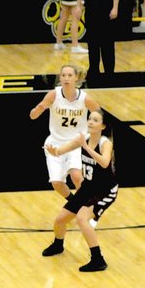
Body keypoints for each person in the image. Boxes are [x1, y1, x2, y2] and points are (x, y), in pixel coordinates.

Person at [43, 109, 117, 271]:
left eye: (95, 120)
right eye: (90, 119)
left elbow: (104, 163)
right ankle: (58, 245)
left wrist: (87, 148)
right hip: (88, 188)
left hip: (105, 190)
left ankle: (98, 259)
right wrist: (55, 152)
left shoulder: (105, 143)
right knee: (60, 220)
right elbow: (64, 149)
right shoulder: (85, 138)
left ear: (103, 126)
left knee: (82, 219)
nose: (90, 122)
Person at [30, 64, 100, 214]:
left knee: (76, 176)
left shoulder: (85, 98)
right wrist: (39, 108)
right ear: (60, 78)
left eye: (69, 75)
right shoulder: (53, 95)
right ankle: (75, 202)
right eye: (63, 75)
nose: (66, 78)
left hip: (76, 143)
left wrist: (93, 131)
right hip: (54, 143)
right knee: (57, 183)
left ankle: (85, 207)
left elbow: (99, 114)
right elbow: (32, 116)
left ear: (76, 78)